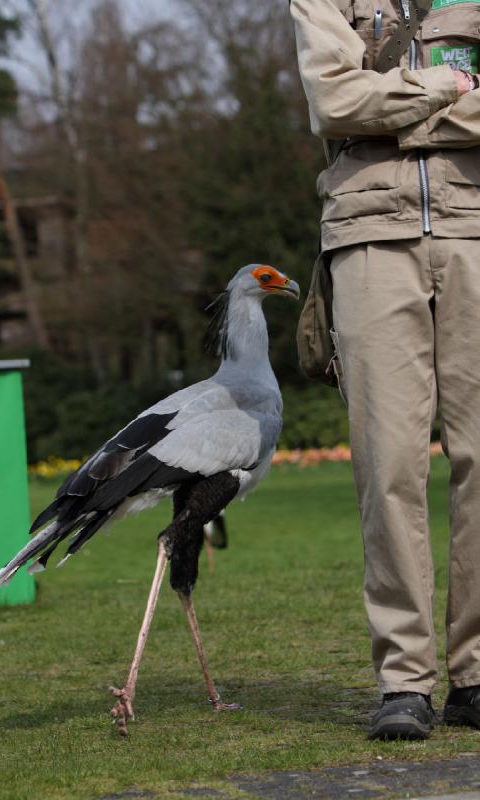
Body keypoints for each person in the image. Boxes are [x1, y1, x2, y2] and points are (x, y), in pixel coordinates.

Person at [290, 0, 480, 740]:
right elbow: (331, 102)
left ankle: (475, 675)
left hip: (476, 228)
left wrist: (389, 106)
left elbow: (356, 106)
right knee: (387, 463)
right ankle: (404, 681)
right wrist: (448, 89)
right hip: (367, 237)